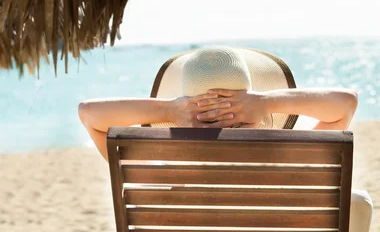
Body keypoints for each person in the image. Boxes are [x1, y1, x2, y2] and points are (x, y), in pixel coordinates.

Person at [78, 46, 358, 161]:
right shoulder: (290, 163)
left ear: (187, 115)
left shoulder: (154, 174)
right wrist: (266, 102)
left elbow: (89, 113)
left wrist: (168, 110)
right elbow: (345, 104)